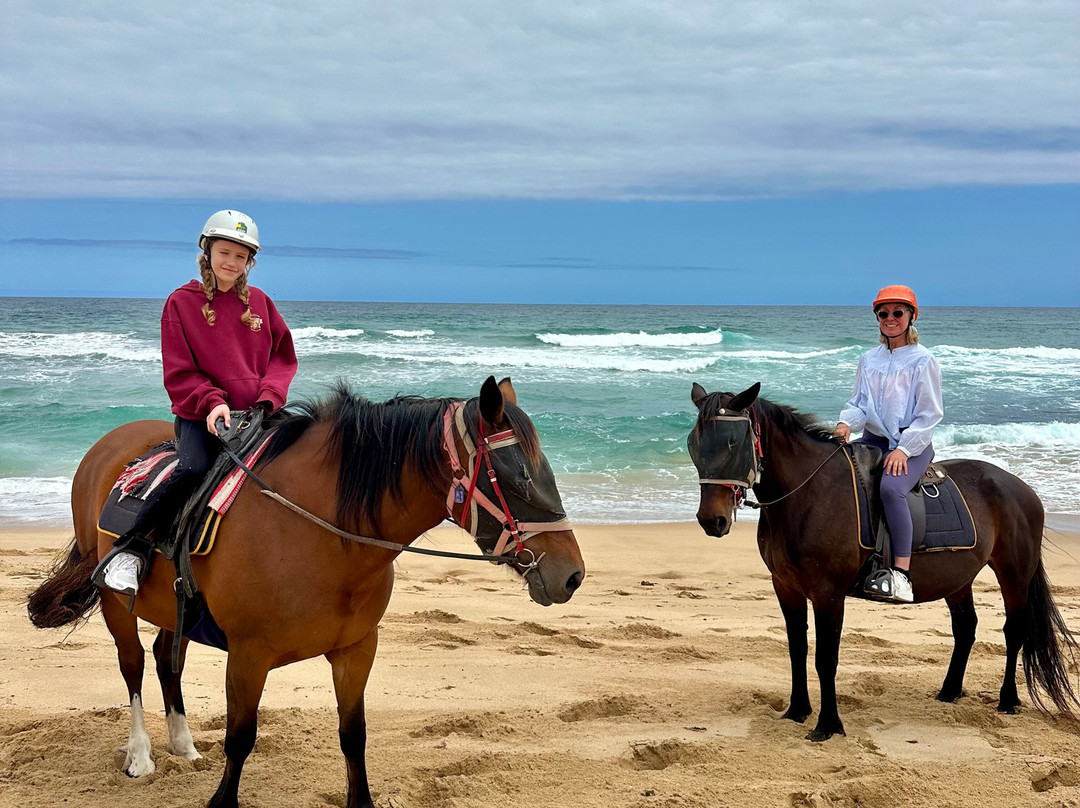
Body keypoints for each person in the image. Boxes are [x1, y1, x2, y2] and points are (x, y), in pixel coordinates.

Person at [95, 210, 298, 596]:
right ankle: (131, 549)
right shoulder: (181, 303)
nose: (231, 262)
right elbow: (180, 369)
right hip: (202, 414)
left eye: (241, 257)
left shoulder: (261, 303)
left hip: (257, 414)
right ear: (207, 251)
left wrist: (268, 399)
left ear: (250, 262)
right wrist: (212, 403)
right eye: (224, 252)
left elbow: (282, 358)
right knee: (192, 468)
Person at [832, 285, 943, 604]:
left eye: (898, 312)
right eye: (884, 313)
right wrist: (845, 424)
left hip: (913, 444)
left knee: (891, 490)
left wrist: (904, 449)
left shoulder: (924, 360)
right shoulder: (868, 359)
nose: (890, 318)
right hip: (873, 442)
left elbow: (929, 414)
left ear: (911, 316)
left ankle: (901, 575)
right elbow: (858, 403)